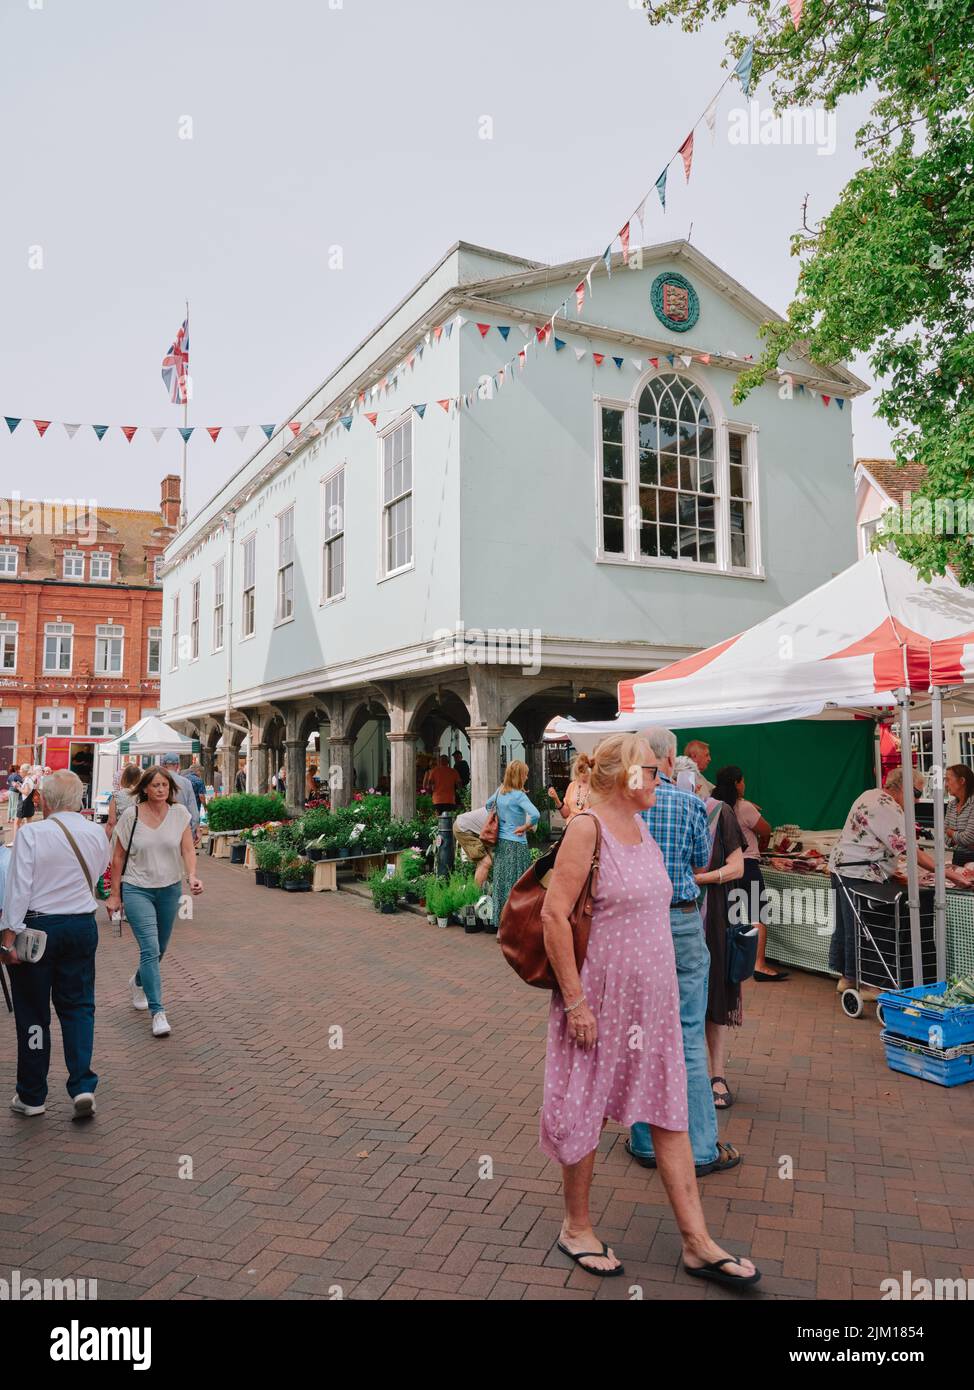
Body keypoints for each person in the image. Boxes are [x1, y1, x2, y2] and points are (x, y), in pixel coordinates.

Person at [539, 732, 759, 1288]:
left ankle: (697, 1242)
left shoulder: (641, 829)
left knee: (669, 1109)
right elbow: (552, 916)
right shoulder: (587, 829)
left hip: (652, 1004)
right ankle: (576, 1227)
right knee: (585, 1109)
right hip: (598, 1001)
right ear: (624, 777)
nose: (662, 779)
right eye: (652, 773)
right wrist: (575, 1003)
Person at [627, 728, 741, 1178]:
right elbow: (699, 863)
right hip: (680, 918)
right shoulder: (690, 804)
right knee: (689, 1033)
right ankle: (699, 1148)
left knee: (642, 1031)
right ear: (670, 759)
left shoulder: (622, 808)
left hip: (635, 925)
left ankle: (643, 1140)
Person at [2, 770, 110, 1120]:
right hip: (81, 923)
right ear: (79, 800)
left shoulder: (32, 834)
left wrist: (8, 937)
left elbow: (19, 888)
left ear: (43, 800)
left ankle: (32, 1094)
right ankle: (82, 1084)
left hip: (38, 927)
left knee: (34, 1013)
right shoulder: (96, 833)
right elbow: (97, 874)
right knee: (79, 1007)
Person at [829, 767, 966, 993]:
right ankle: (869, 986)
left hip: (845, 869)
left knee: (850, 927)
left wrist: (890, 871)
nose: (917, 799)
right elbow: (911, 850)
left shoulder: (870, 794)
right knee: (870, 929)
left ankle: (849, 978)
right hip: (858, 873)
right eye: (915, 792)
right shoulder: (888, 806)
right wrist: (950, 875)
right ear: (901, 787)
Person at [106, 765, 203, 1038]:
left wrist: (192, 876)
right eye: (156, 785)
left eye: (165, 785)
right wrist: (115, 894)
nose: (161, 790)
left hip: (169, 888)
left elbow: (187, 849)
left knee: (159, 948)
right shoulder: (131, 815)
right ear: (144, 788)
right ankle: (158, 1012)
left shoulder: (179, 814)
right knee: (149, 948)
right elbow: (118, 858)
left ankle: (137, 982)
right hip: (137, 888)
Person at [712, 765, 787, 983]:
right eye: (742, 781)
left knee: (729, 915)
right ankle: (759, 965)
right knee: (758, 913)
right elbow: (765, 829)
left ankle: (727, 960)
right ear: (737, 783)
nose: (745, 785)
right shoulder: (744, 807)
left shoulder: (715, 805)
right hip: (747, 866)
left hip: (725, 866)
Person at [697, 792, 747, 1111]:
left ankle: (717, 1075)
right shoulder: (653, 808)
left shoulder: (719, 812)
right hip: (673, 915)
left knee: (714, 992)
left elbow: (737, 867)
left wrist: (701, 878)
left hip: (714, 914)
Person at [486, 761, 538, 932]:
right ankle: (515, 926)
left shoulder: (500, 792)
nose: (527, 777)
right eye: (525, 773)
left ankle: (501, 927)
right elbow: (535, 814)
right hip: (517, 845)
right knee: (517, 885)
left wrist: (500, 820)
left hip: (501, 844)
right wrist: (524, 827)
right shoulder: (519, 796)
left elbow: (488, 805)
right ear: (519, 776)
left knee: (501, 883)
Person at [159, 753, 200, 842]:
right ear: (177, 765)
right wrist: (194, 831)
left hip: (160, 828)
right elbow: (193, 810)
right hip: (181, 828)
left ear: (163, 765)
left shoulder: (157, 782)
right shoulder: (186, 783)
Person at [453, 805, 493, 888]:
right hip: (464, 829)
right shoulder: (503, 814)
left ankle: (478, 891)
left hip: (473, 829)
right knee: (486, 862)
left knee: (485, 861)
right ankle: (477, 894)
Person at [548, 753, 593, 822]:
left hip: (589, 828)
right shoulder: (572, 786)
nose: (583, 773)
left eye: (585, 769)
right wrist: (556, 798)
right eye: (581, 770)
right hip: (571, 826)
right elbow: (565, 814)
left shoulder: (596, 787)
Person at [945, 764, 974, 861]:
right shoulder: (951, 805)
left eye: (948, 780)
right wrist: (957, 837)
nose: (946, 784)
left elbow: (968, 837)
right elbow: (945, 837)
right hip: (957, 856)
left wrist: (951, 832)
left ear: (962, 781)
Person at [106, 763, 142, 837]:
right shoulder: (143, 795)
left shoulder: (116, 796)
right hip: (139, 835)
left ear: (124, 778)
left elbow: (111, 822)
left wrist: (108, 840)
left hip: (122, 835)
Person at [16, 766, 41, 836]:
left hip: (24, 802)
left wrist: (18, 787)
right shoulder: (31, 779)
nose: (19, 771)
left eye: (21, 769)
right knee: (28, 822)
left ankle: (15, 840)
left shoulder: (27, 780)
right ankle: (28, 838)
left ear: (25, 771)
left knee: (17, 822)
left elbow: (26, 792)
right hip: (30, 802)